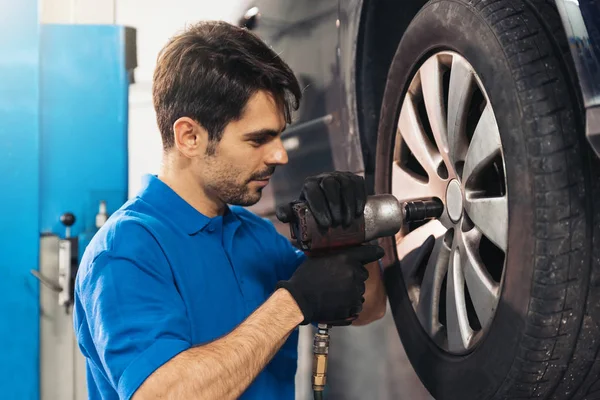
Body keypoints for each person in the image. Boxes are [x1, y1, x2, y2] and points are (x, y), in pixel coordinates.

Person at [73, 20, 390, 400]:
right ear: (190, 136)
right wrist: (293, 303)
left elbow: (368, 306)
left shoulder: (253, 235)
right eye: (258, 139)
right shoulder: (125, 252)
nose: (280, 155)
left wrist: (349, 229)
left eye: (279, 136)